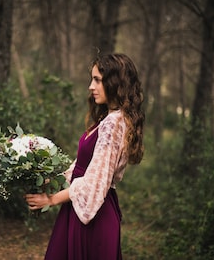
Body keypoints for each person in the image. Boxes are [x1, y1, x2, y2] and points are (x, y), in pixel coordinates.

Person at [25, 53, 144, 260]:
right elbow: (82, 167)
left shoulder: (113, 124)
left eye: (97, 80)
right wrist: (48, 181)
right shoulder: (108, 119)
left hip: (93, 218)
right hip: (78, 209)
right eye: (92, 79)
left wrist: (50, 199)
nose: (91, 86)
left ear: (115, 82)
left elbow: (93, 183)